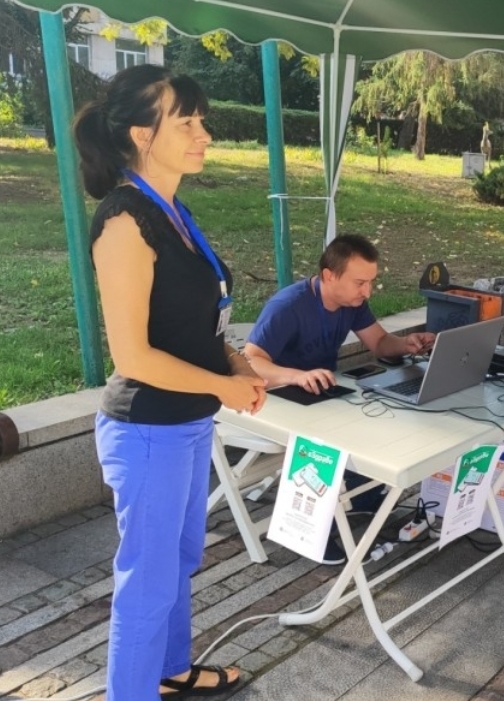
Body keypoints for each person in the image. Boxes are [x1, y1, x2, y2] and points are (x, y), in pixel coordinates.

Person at [74, 65, 267, 700]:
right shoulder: (125, 222)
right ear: (142, 135)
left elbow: (191, 324)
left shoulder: (174, 212)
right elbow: (133, 355)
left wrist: (234, 365)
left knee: (179, 561)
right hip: (148, 429)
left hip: (186, 423)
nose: (203, 134)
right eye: (186, 123)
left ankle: (171, 670)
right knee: (148, 581)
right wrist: (224, 388)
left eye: (201, 121)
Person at [243, 234, 435, 562]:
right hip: (277, 396)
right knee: (330, 439)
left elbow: (379, 343)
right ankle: (312, 533)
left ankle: (363, 497)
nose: (367, 291)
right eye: (360, 282)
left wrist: (406, 344)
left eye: (371, 282)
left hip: (321, 391)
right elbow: (251, 362)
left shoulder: (351, 303)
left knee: (376, 412)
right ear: (329, 275)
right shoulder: (288, 306)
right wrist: (297, 375)